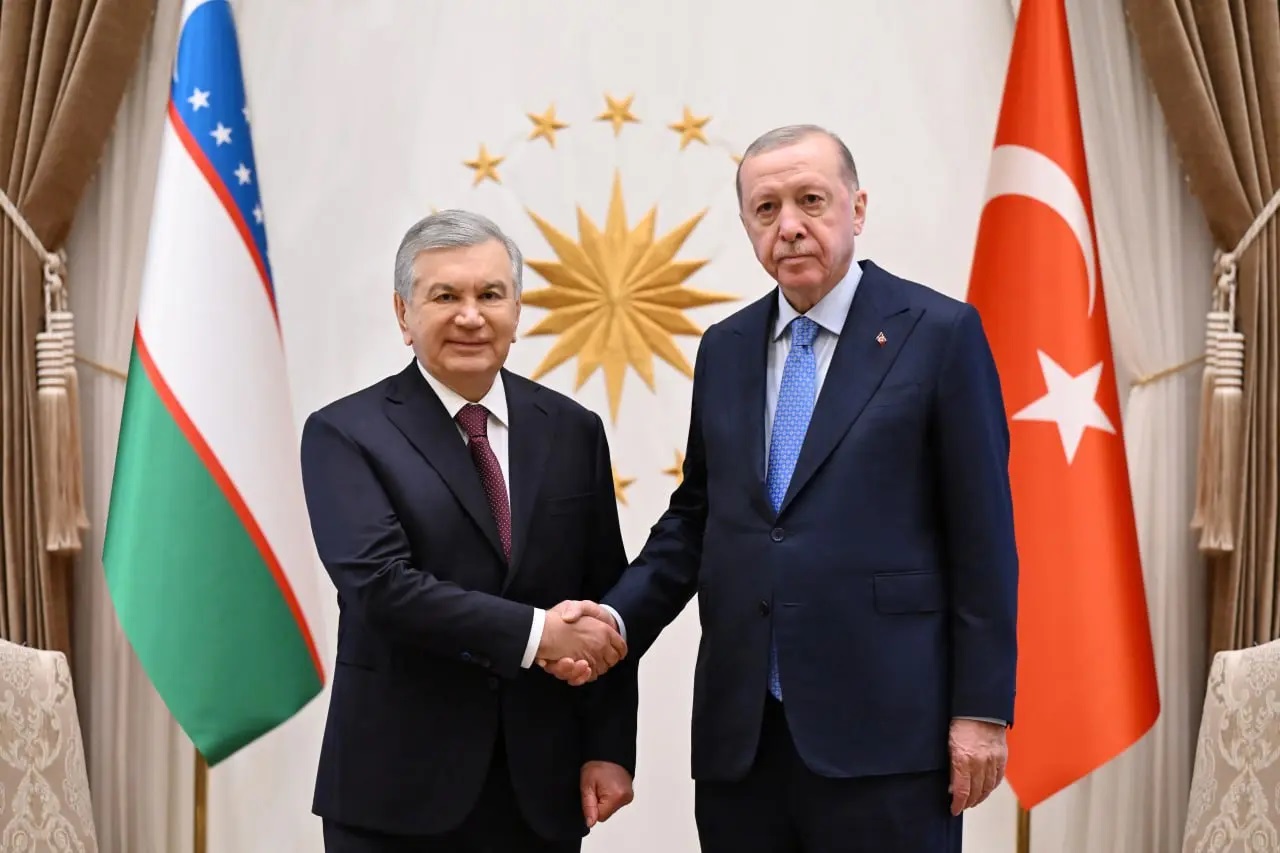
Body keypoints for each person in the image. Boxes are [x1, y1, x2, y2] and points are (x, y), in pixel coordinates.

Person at [546, 125, 1019, 852]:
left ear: (857, 208)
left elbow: (983, 536)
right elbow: (699, 519)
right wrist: (614, 620)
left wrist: (982, 709)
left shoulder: (939, 333)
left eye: (811, 201)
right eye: (766, 209)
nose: (789, 225)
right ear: (747, 226)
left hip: (886, 740)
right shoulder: (726, 347)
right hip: (744, 745)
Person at [300, 209, 638, 852]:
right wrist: (538, 634)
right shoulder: (345, 433)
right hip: (396, 793)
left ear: (517, 309)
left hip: (540, 791)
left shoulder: (573, 430)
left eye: (490, 294)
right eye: (445, 296)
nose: (470, 316)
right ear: (403, 313)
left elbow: (605, 596)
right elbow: (381, 585)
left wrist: (610, 746)